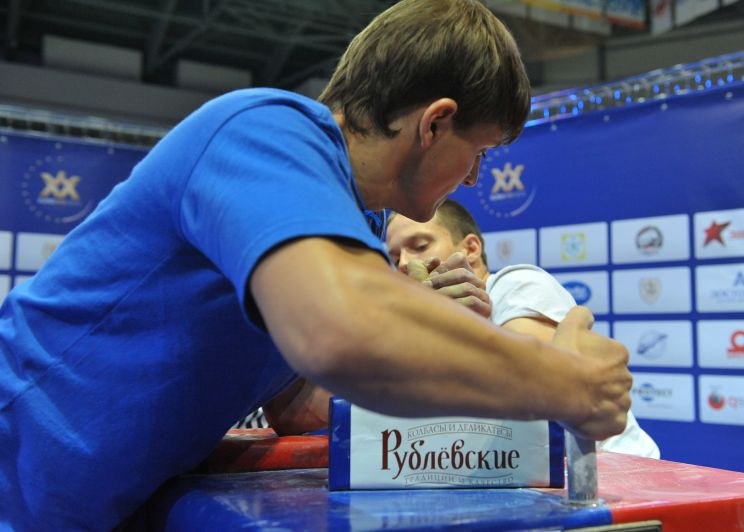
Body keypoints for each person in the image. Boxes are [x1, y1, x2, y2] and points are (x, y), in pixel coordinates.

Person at [0, 0, 632, 529]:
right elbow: (340, 333)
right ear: (436, 123)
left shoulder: (361, 220)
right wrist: (570, 383)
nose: (471, 179)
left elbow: (304, 400)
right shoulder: (262, 131)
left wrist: (432, 338)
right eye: (480, 154)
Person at [385, 199, 659, 458]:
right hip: (527, 480)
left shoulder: (516, 284)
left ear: (470, 248)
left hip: (617, 475)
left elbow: (535, 388)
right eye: (395, 257)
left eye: (419, 246)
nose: (405, 264)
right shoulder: (419, 329)